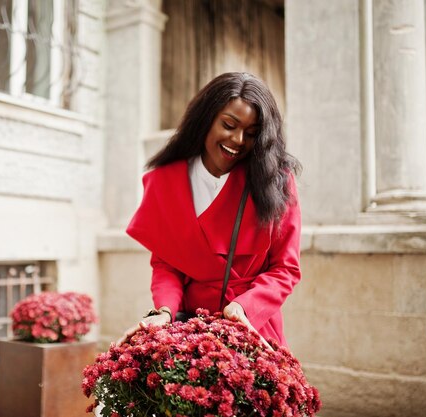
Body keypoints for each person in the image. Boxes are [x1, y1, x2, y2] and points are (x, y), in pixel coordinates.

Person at [120, 72, 301, 347]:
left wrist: (244, 307)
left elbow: (285, 268)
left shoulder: (276, 181)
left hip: (253, 327)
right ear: (206, 119)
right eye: (229, 125)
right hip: (189, 330)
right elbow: (167, 264)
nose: (239, 139)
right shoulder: (166, 181)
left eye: (251, 133)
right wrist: (165, 311)